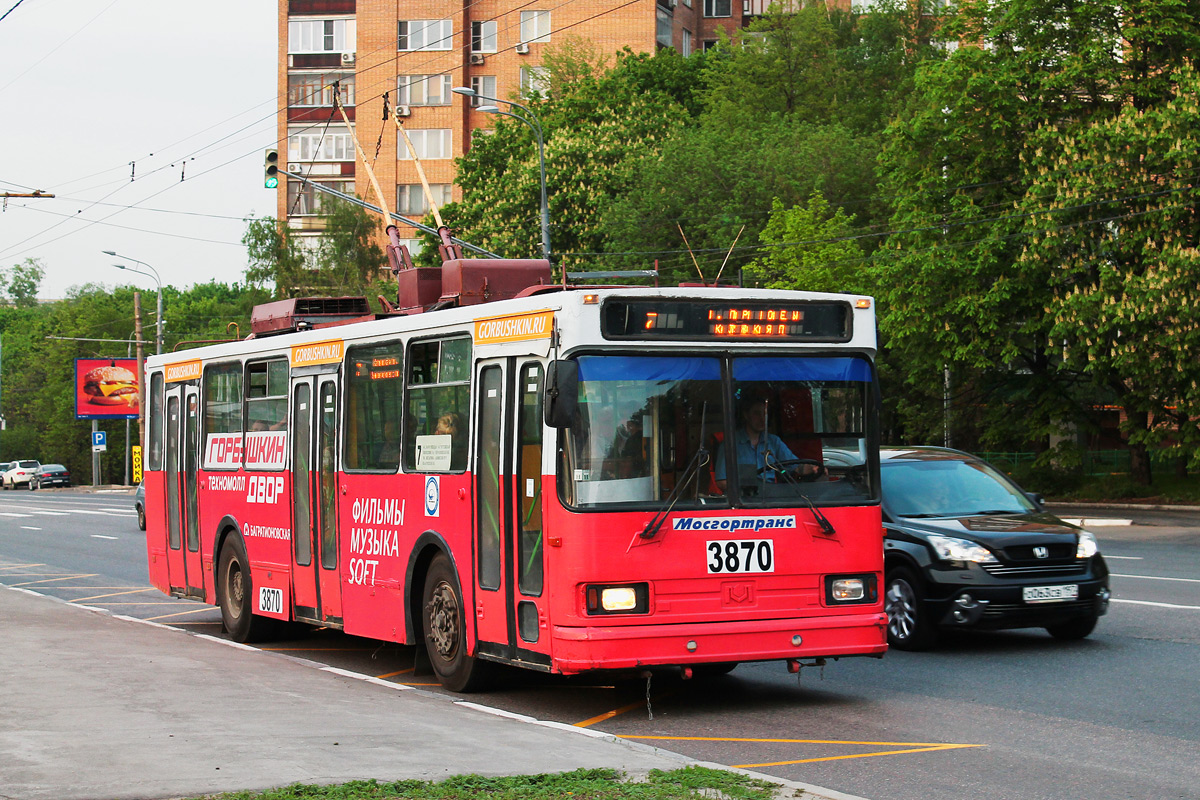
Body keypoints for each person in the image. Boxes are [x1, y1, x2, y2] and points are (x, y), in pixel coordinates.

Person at [714, 398, 821, 492]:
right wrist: (746, 487)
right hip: (742, 501)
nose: (762, 418)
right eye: (756, 414)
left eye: (764, 413)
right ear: (746, 415)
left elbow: (797, 467)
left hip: (771, 498)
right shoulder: (730, 443)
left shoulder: (774, 442)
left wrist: (813, 468)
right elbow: (722, 482)